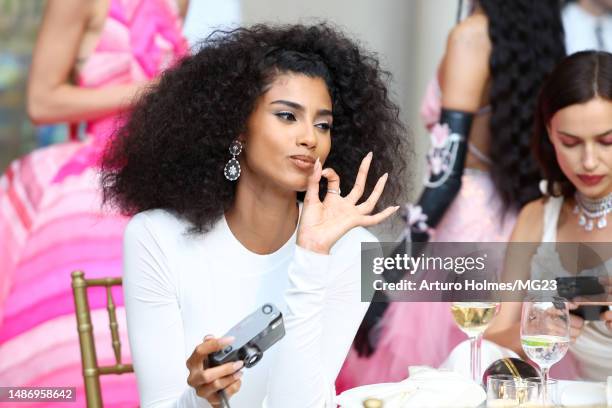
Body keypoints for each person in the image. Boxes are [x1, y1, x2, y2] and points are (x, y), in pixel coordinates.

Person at [100, 24, 409, 407]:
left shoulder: (354, 249)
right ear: (237, 128)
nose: (310, 138)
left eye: (323, 124)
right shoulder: (155, 237)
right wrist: (203, 398)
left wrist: (312, 254)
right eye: (287, 116)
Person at [338, 0, 566, 390]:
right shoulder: (538, 36)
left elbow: (446, 180)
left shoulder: (471, 37)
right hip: (518, 224)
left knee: (444, 380)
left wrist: (387, 278)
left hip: (464, 235)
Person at [0, 0, 188, 405]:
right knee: (89, 347)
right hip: (98, 173)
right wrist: (151, 91)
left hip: (168, 172)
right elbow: (42, 101)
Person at [485, 50, 612, 382]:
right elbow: (490, 340)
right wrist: (534, 329)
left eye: (607, 142)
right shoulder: (537, 217)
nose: (588, 162)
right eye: (570, 142)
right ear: (549, 134)